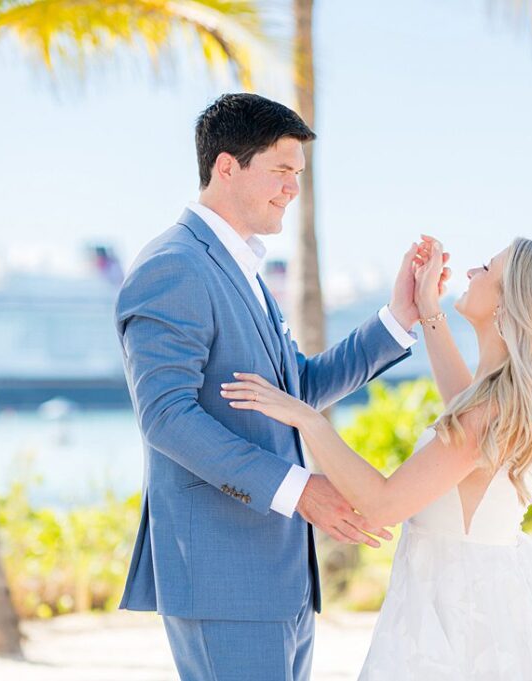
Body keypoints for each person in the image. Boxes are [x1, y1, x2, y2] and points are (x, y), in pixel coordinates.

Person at [115, 93, 447, 681]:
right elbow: (166, 416)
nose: (293, 188)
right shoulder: (174, 265)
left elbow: (298, 389)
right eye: (282, 170)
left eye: (298, 174)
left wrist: (399, 317)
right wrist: (298, 490)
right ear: (226, 166)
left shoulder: (243, 268)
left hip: (279, 573)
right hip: (223, 576)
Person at [221, 236, 532, 680]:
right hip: (467, 599)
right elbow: (460, 400)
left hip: (455, 619)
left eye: (486, 269)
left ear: (509, 303)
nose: (470, 273)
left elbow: (385, 504)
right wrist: (427, 307)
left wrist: (306, 418)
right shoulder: (497, 400)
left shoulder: (486, 414)